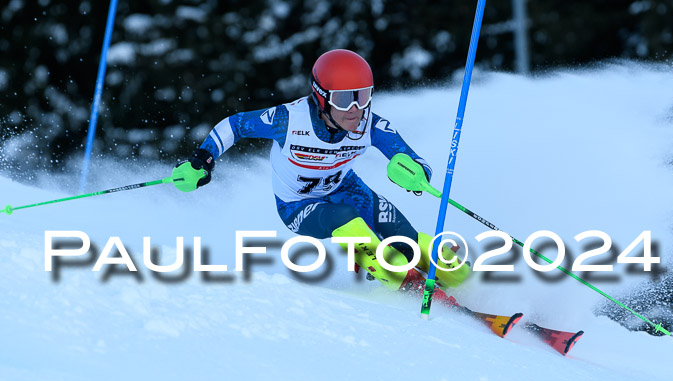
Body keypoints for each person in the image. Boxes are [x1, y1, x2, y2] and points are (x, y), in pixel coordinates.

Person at [173, 49, 469, 296]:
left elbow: (408, 155)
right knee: (345, 220)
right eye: (344, 100)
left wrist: (417, 173)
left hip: (348, 189)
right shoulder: (288, 120)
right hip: (297, 205)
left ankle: (466, 280)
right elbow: (234, 125)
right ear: (321, 98)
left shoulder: (369, 125)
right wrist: (203, 159)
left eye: (363, 96)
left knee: (408, 240)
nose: (355, 109)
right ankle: (400, 280)